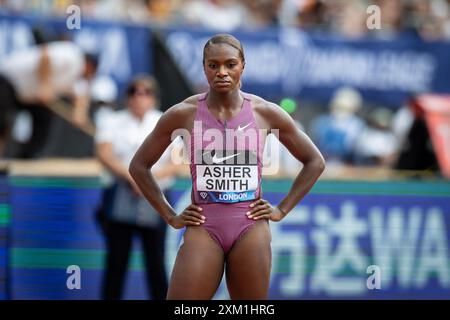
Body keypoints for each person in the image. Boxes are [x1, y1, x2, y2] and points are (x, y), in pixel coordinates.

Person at [129, 34, 325, 300]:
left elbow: (315, 161)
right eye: (213, 65)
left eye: (230, 64)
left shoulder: (265, 113)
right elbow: (139, 166)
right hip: (204, 223)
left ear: (242, 65)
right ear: (204, 67)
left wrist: (282, 209)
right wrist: (170, 215)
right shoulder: (183, 113)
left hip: (249, 225)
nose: (222, 72)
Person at [95, 75, 177, 300]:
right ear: (127, 97)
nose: (140, 97)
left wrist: (146, 180)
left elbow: (178, 162)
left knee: (156, 262)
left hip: (156, 196)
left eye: (146, 92)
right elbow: (104, 153)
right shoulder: (112, 121)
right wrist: (133, 178)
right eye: (134, 92)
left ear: (154, 97)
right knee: (116, 261)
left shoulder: (165, 121)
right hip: (122, 192)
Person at [0, 40, 98, 158]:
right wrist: (44, 85)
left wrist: (79, 113)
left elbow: (81, 93)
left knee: (44, 118)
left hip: (26, 95)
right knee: (2, 122)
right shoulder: (73, 56)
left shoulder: (75, 77)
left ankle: (26, 158)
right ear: (90, 66)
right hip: (8, 80)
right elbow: (45, 55)